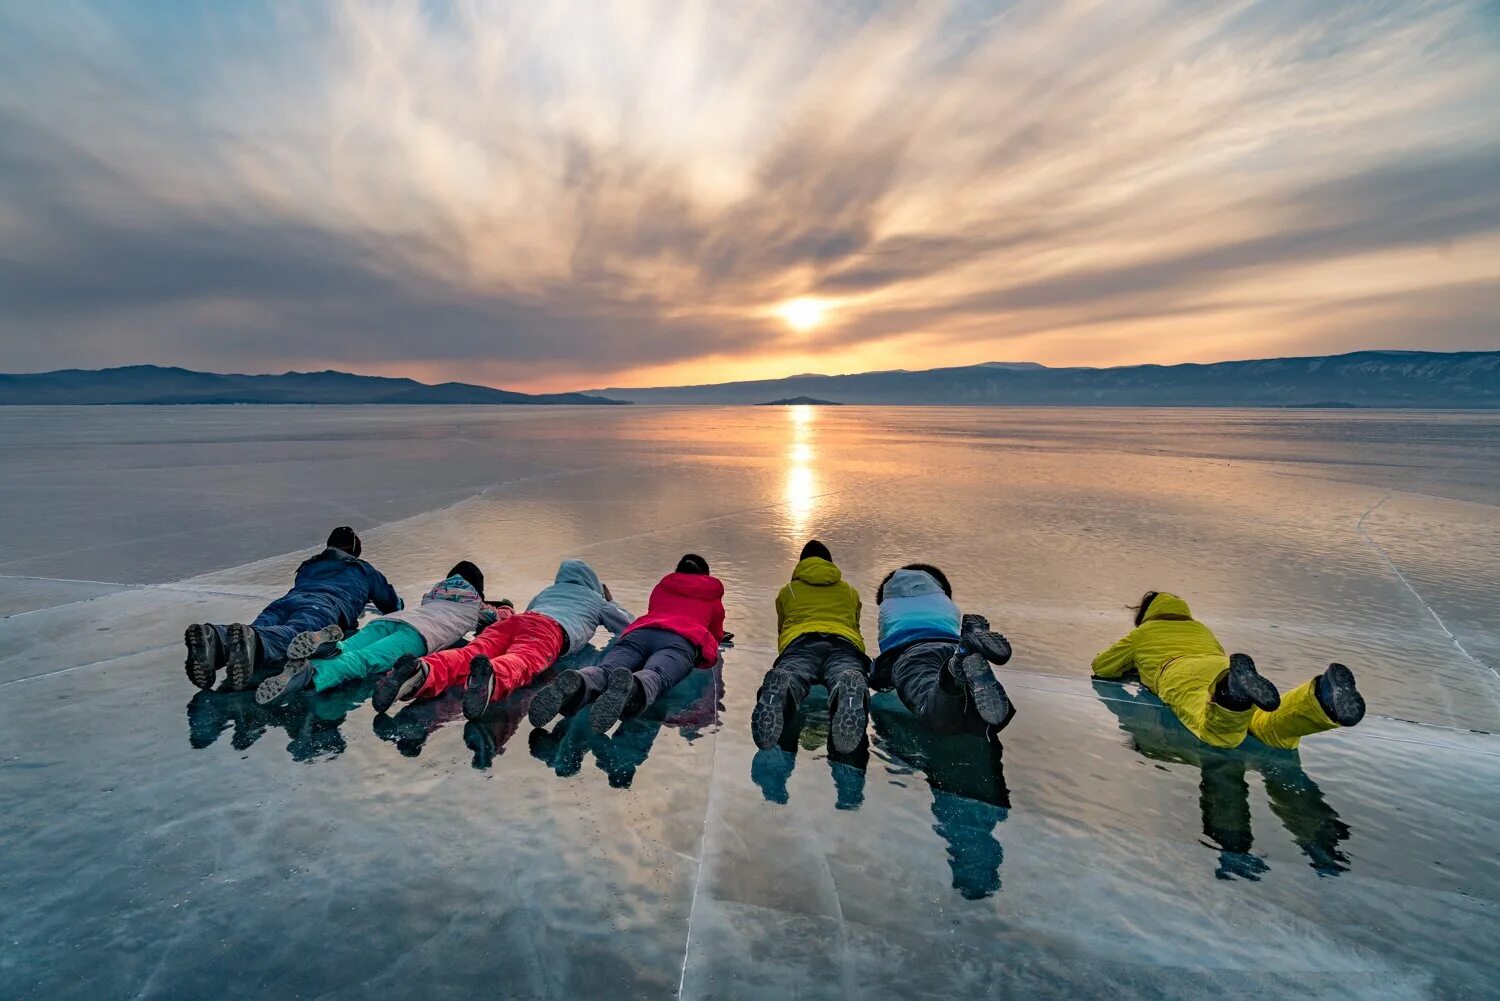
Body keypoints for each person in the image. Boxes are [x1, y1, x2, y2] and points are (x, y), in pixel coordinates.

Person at [1090, 591, 1366, 750]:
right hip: (1220, 665)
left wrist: (1133, 667)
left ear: (1146, 615)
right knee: (1267, 726)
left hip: (1178, 671)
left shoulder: (1144, 633)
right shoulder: (1200, 628)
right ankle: (1318, 698)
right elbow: (1219, 652)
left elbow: (1102, 666)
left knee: (1213, 723)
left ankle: (1232, 693)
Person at [372, 558, 632, 721]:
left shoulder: (548, 591)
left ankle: (422, 671)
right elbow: (629, 626)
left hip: (516, 621)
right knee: (522, 659)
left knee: (470, 652)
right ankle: (492, 677)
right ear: (593, 582)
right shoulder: (596, 600)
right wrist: (609, 602)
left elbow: (528, 610)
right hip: (549, 631)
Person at [254, 561, 511, 706]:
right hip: (420, 635)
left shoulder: (434, 593)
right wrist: (505, 606)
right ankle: (313, 672)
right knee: (364, 660)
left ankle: (327, 648)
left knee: (349, 647)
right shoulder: (477, 605)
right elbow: (495, 621)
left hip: (395, 620)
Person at [528, 553, 728, 733]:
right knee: (657, 674)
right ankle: (632, 690)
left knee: (606, 669)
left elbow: (655, 611)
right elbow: (716, 634)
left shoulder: (662, 588)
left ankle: (579, 683)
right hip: (680, 641)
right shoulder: (711, 596)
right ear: (705, 575)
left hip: (640, 633)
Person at [183, 527, 400, 692]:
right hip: (324, 605)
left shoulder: (308, 565)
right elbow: (390, 603)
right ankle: (254, 643)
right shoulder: (362, 569)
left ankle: (217, 638)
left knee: (261, 628)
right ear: (355, 549)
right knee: (295, 633)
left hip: (287, 601)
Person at [751, 540, 870, 754]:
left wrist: (787, 652)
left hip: (801, 641)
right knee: (845, 671)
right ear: (830, 564)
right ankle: (845, 690)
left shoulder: (788, 590)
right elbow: (855, 624)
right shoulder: (850, 591)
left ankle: (784, 687)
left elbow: (782, 626)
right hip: (843, 642)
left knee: (793, 672)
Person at [871, 563, 1016, 736]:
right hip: (951, 644)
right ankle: (964, 650)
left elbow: (887, 652)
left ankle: (955, 669)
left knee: (932, 713)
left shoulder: (889, 606)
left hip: (912, 653)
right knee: (986, 720)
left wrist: (878, 679)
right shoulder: (945, 603)